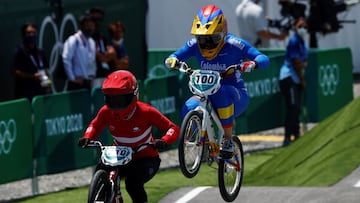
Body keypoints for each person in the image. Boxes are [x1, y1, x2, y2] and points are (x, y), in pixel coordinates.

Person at [164, 4, 270, 158]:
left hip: (235, 95)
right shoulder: (193, 45)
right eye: (202, 39)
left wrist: (252, 64)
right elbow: (175, 56)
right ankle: (204, 141)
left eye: (212, 39)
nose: (206, 44)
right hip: (206, 93)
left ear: (222, 32)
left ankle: (228, 140)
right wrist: (172, 60)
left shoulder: (234, 44)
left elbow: (263, 58)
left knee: (221, 92)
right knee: (189, 107)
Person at [77, 70, 180, 202]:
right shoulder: (105, 111)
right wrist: (88, 137)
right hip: (117, 156)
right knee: (100, 178)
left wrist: (165, 141)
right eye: (111, 99)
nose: (116, 105)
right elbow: (95, 125)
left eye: (120, 100)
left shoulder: (146, 111)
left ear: (134, 95)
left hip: (145, 159)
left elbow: (173, 128)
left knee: (133, 184)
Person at [279, 17, 308, 146]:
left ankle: (296, 135)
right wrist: (302, 79)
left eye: (305, 27)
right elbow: (297, 63)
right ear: (295, 27)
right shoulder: (294, 41)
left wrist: (302, 74)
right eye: (300, 26)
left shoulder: (303, 42)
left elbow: (303, 63)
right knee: (292, 107)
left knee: (296, 108)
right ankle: (287, 137)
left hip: (297, 77)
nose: (303, 29)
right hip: (289, 77)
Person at [12, 22, 52, 101]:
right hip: (25, 94)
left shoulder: (40, 51)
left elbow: (45, 70)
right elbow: (14, 71)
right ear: (24, 34)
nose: (31, 35)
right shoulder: (20, 51)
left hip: (40, 93)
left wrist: (48, 85)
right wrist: (32, 76)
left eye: (33, 32)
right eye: (29, 33)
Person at [62, 14, 97, 91]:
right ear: (81, 26)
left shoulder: (92, 42)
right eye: (87, 25)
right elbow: (66, 59)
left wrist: (91, 78)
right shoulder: (73, 40)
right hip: (76, 83)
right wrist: (72, 78)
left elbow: (92, 62)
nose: (90, 28)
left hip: (88, 82)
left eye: (92, 25)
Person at [88, 7, 117, 84]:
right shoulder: (87, 39)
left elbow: (112, 53)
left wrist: (103, 57)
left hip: (106, 75)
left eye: (99, 19)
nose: (97, 23)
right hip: (93, 76)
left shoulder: (103, 38)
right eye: (95, 20)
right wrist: (102, 56)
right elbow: (96, 54)